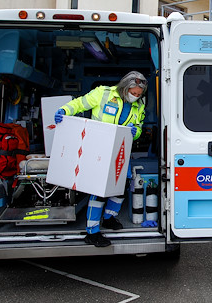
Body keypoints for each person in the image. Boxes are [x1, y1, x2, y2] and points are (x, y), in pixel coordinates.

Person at [54, 71, 147, 247]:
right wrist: (64, 110)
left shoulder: (139, 106)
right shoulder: (103, 93)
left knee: (121, 187)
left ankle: (109, 218)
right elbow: (80, 104)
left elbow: (139, 127)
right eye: (133, 93)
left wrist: (136, 132)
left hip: (120, 151)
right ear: (125, 87)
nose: (135, 97)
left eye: (138, 94)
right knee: (99, 192)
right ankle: (92, 231)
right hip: (98, 150)